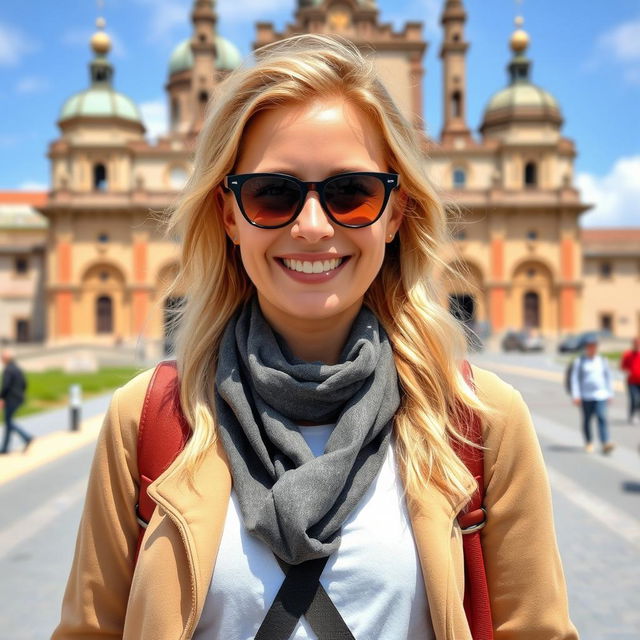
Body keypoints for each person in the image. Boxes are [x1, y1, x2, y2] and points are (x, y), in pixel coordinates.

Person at [53, 35, 577, 639]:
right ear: (227, 212)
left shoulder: (477, 424)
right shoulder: (148, 420)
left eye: (350, 193)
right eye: (272, 193)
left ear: (397, 210)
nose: (311, 227)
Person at [570, 334, 614, 454]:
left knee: (601, 417)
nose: (592, 348)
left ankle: (605, 442)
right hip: (586, 396)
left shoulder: (602, 360)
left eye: (594, 346)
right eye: (590, 346)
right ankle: (589, 442)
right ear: (586, 347)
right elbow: (575, 379)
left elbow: (608, 377)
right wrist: (576, 395)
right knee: (587, 420)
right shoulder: (580, 361)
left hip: (600, 395)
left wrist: (610, 393)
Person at [0, 349, 32, 454]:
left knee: (9, 422)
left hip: (11, 399)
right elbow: (25, 383)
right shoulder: (17, 368)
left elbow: (6, 386)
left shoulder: (8, 370)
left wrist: (2, 398)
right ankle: (5, 448)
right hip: (19, 398)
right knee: (8, 422)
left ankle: (26, 437)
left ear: (5, 359)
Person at [621, 337, 640, 425]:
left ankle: (637, 414)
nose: (637, 345)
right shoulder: (627, 354)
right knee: (634, 399)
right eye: (635, 343)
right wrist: (627, 372)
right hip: (631, 382)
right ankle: (632, 415)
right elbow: (622, 366)